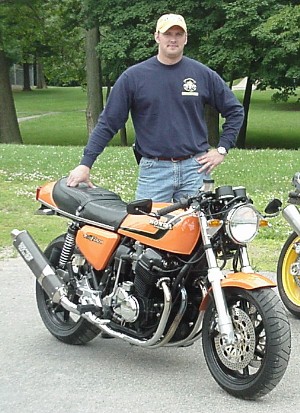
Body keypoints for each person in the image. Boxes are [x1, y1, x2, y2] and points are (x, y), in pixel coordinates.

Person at [67, 13, 244, 202]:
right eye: (168, 34)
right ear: (157, 36)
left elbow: (235, 111)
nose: (173, 39)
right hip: (154, 171)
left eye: (178, 34)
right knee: (147, 229)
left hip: (196, 169)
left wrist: (222, 149)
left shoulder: (202, 74)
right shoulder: (133, 77)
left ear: (186, 38)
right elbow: (108, 123)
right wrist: (86, 164)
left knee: (195, 230)